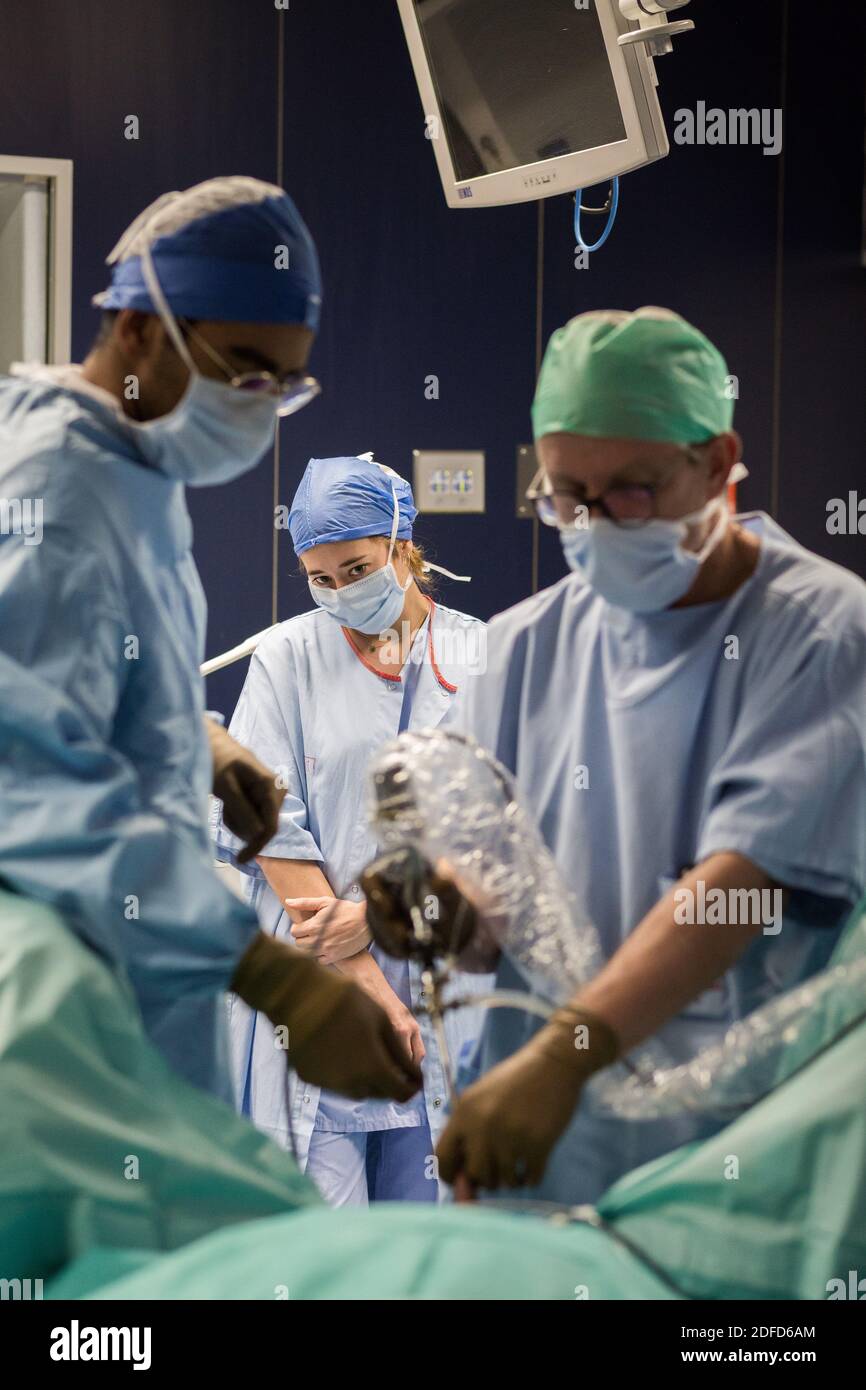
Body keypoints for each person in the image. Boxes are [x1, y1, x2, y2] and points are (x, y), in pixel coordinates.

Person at [0, 176, 420, 1111]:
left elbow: (54, 680)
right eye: (242, 368)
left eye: (285, 382)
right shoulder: (67, 496)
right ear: (139, 330)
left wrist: (190, 741)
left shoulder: (120, 464)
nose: (259, 404)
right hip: (55, 1005)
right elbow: (27, 790)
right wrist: (281, 981)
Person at [436, 306, 866, 1203]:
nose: (594, 524)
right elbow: (486, 885)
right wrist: (441, 911)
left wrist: (563, 1061)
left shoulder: (823, 634)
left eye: (630, 490)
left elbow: (740, 888)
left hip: (733, 1156)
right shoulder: (522, 650)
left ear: (716, 462)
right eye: (565, 495)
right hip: (537, 1153)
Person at [214, 453, 490, 1204]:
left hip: (444, 986)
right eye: (320, 577)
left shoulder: (484, 656)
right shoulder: (287, 657)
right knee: (324, 1256)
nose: (339, 592)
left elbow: (501, 834)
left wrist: (381, 918)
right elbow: (269, 823)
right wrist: (366, 976)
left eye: (356, 568)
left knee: (431, 1243)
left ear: (405, 546)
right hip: (321, 984)